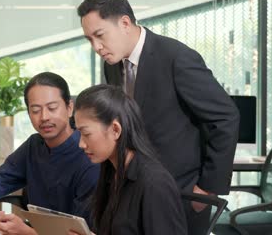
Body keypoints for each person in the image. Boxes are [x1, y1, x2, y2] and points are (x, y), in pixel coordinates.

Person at [77, 0, 240, 235]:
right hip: (133, 189)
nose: (96, 47)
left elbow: (225, 117)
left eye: (100, 35)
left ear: (124, 23)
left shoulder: (176, 57)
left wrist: (206, 189)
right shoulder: (112, 66)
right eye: (89, 39)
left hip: (179, 191)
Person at [0, 71, 100, 234]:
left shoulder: (90, 156)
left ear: (69, 108)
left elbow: (82, 232)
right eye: (36, 110)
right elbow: (0, 178)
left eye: (52, 108)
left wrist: (27, 233)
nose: (44, 117)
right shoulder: (34, 145)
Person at [69, 84, 187, 235]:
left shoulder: (154, 183)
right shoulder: (111, 172)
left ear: (115, 130)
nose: (81, 144)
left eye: (86, 133)